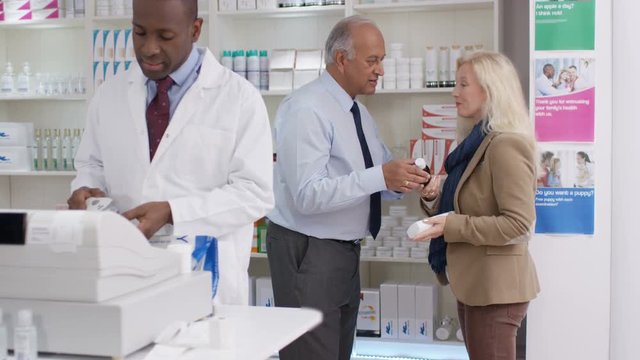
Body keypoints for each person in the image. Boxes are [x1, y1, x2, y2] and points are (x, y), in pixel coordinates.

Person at [67, 0, 274, 305]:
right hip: (124, 277)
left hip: (205, 282)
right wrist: (83, 189)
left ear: (195, 30)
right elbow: (91, 163)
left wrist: (174, 213)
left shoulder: (239, 99)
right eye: (139, 33)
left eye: (165, 36)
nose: (149, 48)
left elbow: (255, 194)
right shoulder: (109, 94)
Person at [266, 15, 430, 360]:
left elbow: (375, 178)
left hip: (343, 253)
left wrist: (405, 179)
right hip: (309, 251)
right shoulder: (306, 109)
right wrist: (381, 177)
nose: (380, 70)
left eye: (382, 60)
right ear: (341, 59)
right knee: (309, 355)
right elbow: (307, 195)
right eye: (373, 60)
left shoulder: (359, 113)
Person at [412, 51, 540, 360]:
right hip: (477, 285)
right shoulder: (476, 143)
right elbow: (468, 201)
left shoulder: (505, 144)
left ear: (490, 88)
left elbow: (519, 225)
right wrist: (433, 194)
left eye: (463, 84)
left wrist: (452, 225)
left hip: (496, 291)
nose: (454, 92)